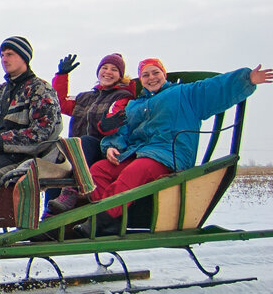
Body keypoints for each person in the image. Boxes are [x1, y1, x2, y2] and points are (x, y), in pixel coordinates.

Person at [46, 59, 272, 221]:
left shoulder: (184, 94)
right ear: (140, 81)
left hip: (167, 155)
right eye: (146, 75)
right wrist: (112, 146)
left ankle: (100, 219)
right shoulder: (134, 105)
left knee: (132, 174)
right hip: (134, 153)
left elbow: (214, 88)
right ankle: (87, 211)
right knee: (99, 170)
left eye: (156, 73)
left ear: (164, 75)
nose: (151, 78)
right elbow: (121, 131)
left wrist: (247, 78)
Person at [0, 36, 63, 182]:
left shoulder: (40, 89)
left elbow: (41, 133)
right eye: (2, 55)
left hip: (20, 157)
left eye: (10, 54)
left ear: (24, 57)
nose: (4, 59)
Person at [52, 52, 135, 165]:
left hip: (102, 147)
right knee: (58, 145)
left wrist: (106, 126)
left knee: (85, 141)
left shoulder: (122, 96)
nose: (108, 72)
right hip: (77, 147)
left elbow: (116, 117)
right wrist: (62, 75)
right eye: (104, 68)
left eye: (114, 69)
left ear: (120, 76)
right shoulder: (84, 97)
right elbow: (59, 103)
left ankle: (80, 177)